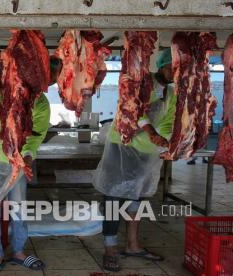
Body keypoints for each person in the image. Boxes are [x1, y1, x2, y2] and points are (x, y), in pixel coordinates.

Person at [93, 49, 176, 272]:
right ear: (161, 65)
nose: (174, 73)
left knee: (136, 199)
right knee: (114, 199)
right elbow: (132, 109)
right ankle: (110, 248)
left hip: (146, 155)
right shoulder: (141, 84)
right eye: (171, 67)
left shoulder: (171, 93)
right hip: (123, 149)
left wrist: (169, 141)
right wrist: (151, 132)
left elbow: (170, 121)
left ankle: (133, 245)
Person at [0, 57, 60, 276]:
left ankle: (19, 250)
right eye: (48, 79)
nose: (48, 85)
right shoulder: (2, 82)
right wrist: (0, 109)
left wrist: (28, 157)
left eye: (53, 81)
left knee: (19, 207)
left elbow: (36, 135)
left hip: (16, 161)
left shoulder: (41, 103)